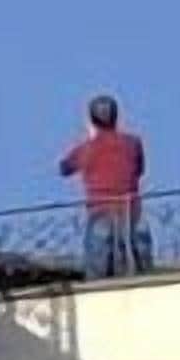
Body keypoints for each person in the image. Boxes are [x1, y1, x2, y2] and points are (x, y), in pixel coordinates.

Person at [60, 94, 152, 278]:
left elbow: (64, 168)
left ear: (91, 120)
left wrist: (91, 138)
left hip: (101, 211)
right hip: (131, 212)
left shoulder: (86, 149)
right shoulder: (132, 143)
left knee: (98, 276)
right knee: (144, 273)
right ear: (116, 117)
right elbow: (140, 169)